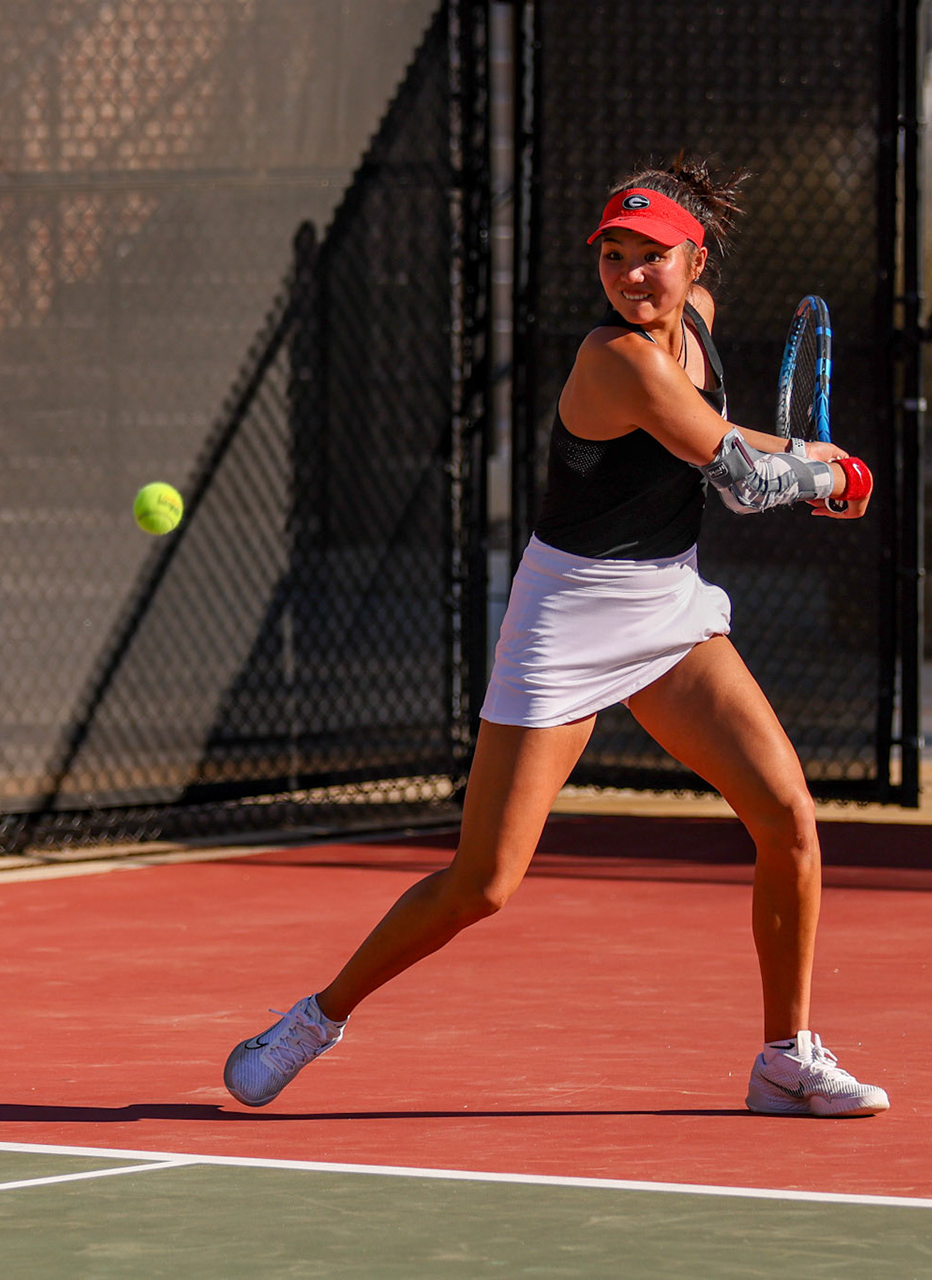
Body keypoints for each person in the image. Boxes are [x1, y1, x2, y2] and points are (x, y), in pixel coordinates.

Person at [224, 157, 888, 1118]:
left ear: (695, 260)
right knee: (483, 883)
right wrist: (828, 476)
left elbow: (719, 434)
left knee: (787, 816)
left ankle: (785, 1055)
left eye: (651, 255)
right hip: (566, 616)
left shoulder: (692, 321)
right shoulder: (611, 361)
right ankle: (315, 1018)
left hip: (666, 606)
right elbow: (742, 480)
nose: (629, 275)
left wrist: (811, 461)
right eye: (613, 255)